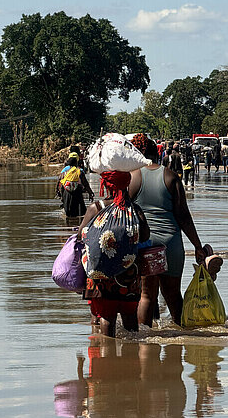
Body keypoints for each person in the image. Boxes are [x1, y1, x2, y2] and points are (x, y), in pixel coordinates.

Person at [129, 134, 207, 327]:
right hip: (171, 243)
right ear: (156, 152)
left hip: (145, 244)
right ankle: (182, 338)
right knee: (172, 294)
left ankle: (144, 343)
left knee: (146, 296)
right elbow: (184, 217)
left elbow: (124, 212)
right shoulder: (170, 176)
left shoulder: (132, 177)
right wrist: (198, 246)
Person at [77, 171, 150, 337]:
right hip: (129, 277)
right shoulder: (134, 210)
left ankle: (106, 357)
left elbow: (80, 235)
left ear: (106, 185)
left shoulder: (96, 208)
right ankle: (131, 357)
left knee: (107, 316)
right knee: (130, 316)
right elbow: (145, 236)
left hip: (101, 276)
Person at [56, 152, 94, 218]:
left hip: (66, 194)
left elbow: (58, 184)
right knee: (81, 213)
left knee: (68, 214)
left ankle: (68, 226)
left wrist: (58, 193)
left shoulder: (64, 173)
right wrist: (90, 193)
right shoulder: (79, 171)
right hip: (77, 194)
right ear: (76, 163)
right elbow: (85, 184)